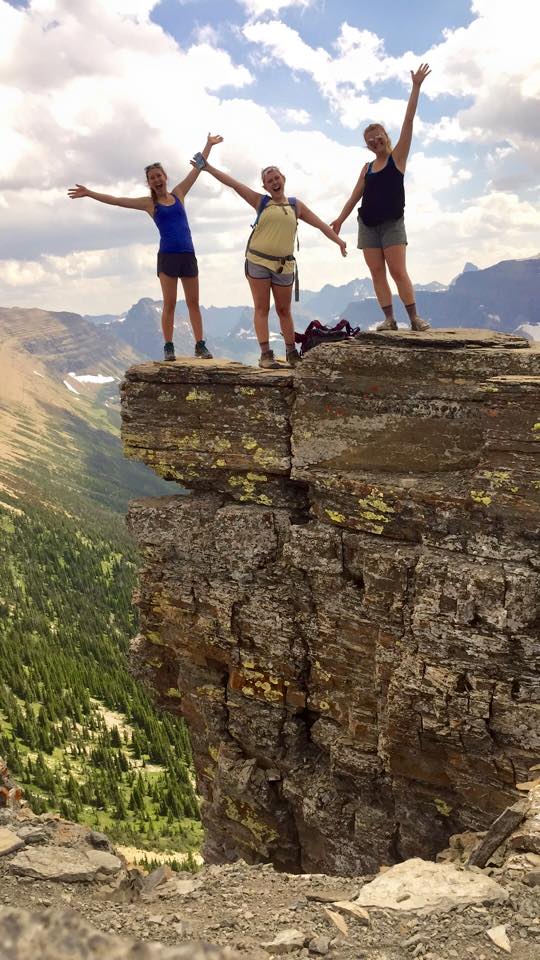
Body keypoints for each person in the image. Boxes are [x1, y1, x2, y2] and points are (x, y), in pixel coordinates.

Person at [68, 134, 224, 361]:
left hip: (188, 255)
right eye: (152, 178)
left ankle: (200, 345)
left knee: (193, 303)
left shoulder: (179, 194)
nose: (157, 180)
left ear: (165, 177)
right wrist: (90, 193)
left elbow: (197, 169)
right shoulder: (149, 203)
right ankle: (169, 346)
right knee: (169, 303)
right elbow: (117, 200)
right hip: (168, 257)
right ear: (149, 182)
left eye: (159, 175)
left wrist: (208, 145)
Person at [192, 157, 347, 368]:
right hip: (257, 261)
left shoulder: (295, 205)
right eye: (269, 180)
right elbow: (234, 184)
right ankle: (266, 355)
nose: (274, 182)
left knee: (284, 310)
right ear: (265, 186)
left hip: (284, 265)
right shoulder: (261, 202)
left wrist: (338, 241)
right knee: (262, 308)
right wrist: (207, 167)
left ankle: (292, 353)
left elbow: (320, 224)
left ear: (283, 179)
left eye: (276, 178)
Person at [330, 64, 431, 333]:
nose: (375, 142)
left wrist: (416, 87)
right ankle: (389, 319)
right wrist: (339, 219)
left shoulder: (397, 158)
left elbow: (408, 121)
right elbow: (355, 196)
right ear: (367, 145)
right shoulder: (367, 168)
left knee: (398, 271)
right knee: (377, 273)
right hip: (368, 224)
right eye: (370, 141)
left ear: (386, 137)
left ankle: (414, 318)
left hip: (392, 222)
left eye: (378, 137)